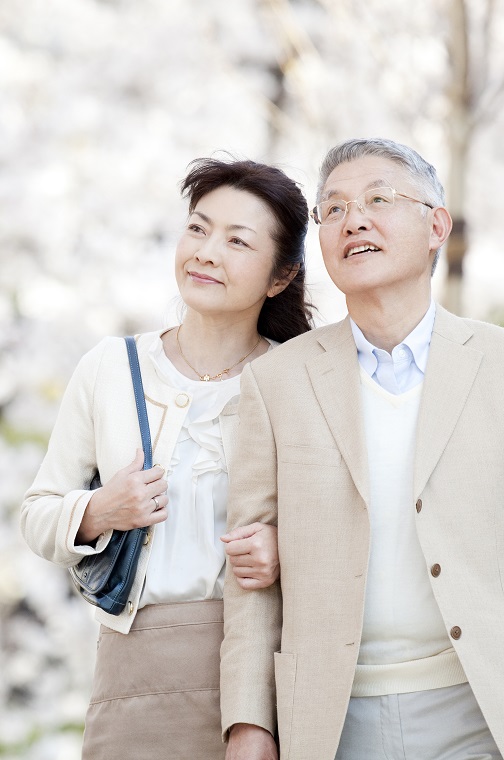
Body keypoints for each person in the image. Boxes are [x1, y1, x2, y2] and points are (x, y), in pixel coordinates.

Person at [220, 138, 504, 760]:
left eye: (379, 199)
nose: (356, 220)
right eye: (335, 209)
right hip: (329, 718)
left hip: (490, 710)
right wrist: (249, 725)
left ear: (437, 226)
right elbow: (248, 572)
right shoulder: (275, 383)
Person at [20, 157, 312, 759]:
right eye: (198, 228)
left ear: (280, 278)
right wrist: (100, 510)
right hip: (134, 671)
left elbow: (350, 525)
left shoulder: (300, 380)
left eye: (237, 241)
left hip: (268, 670)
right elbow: (36, 513)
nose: (206, 252)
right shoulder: (111, 367)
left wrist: (290, 546)